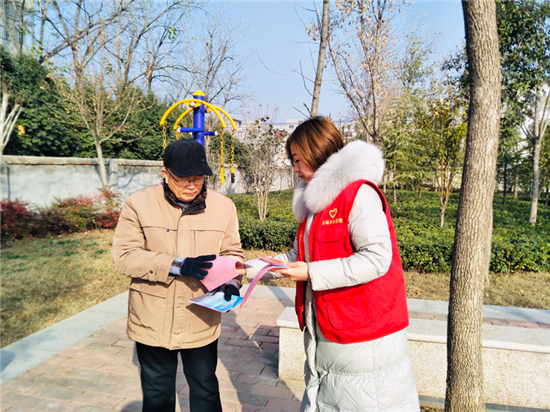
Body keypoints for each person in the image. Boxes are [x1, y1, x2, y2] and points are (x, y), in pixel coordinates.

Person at [246, 117, 419, 411]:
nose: (294, 168)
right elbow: (298, 255)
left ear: (315, 151)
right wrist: (247, 268)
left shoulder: (358, 195)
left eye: (297, 159)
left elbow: (377, 257)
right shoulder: (317, 204)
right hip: (330, 330)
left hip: (362, 339)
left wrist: (311, 272)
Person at [111, 139, 245, 412]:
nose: (192, 185)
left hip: (200, 316)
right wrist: (177, 265)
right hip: (152, 316)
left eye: (199, 178)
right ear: (165, 174)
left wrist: (231, 281)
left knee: (206, 389)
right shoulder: (138, 203)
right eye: (184, 178)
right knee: (157, 393)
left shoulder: (224, 206)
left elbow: (232, 252)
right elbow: (124, 256)